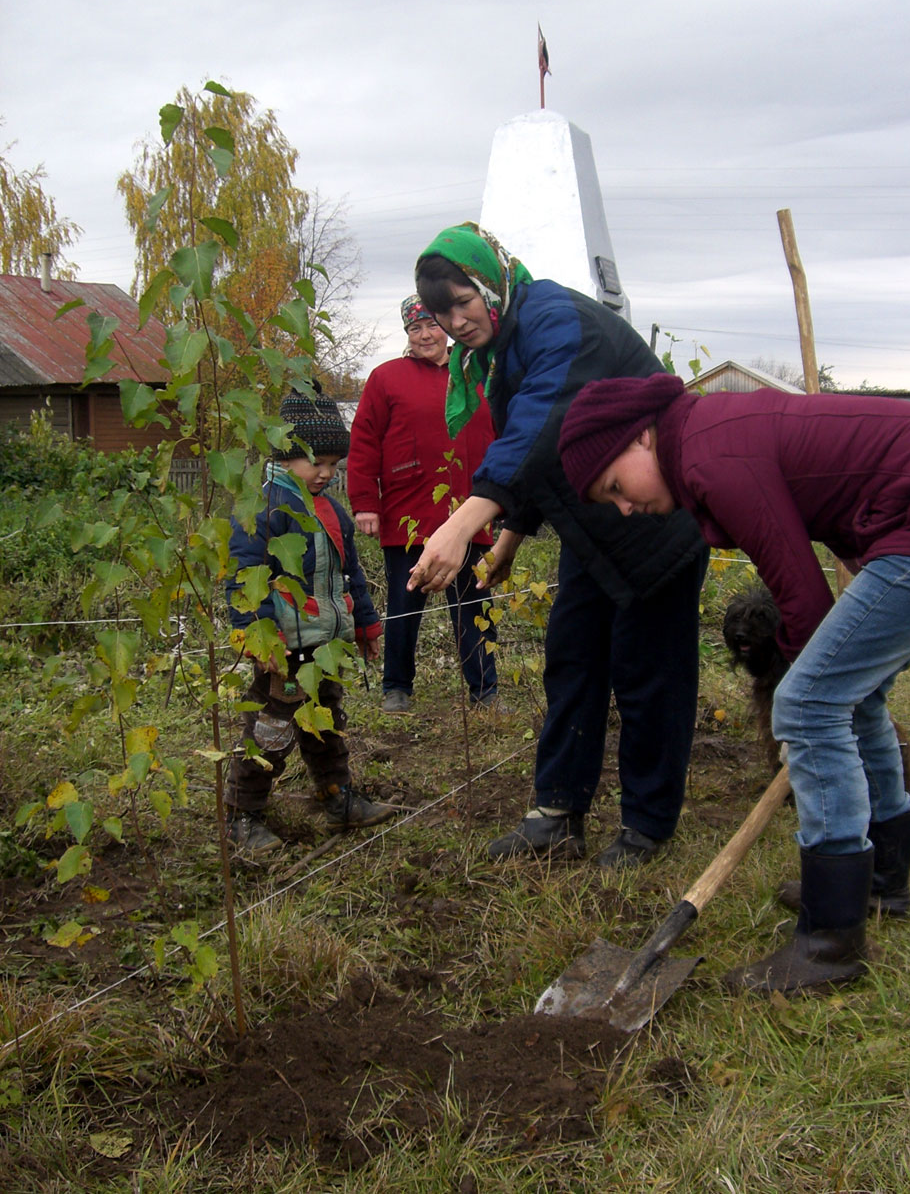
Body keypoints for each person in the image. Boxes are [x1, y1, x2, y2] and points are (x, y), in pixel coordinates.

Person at [557, 372, 910, 987]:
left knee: (813, 702)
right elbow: (829, 487)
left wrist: (800, 687)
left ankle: (829, 943)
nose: (626, 507)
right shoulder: (705, 439)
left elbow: (802, 599)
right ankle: (880, 882)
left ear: (640, 439)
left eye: (615, 487)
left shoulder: (713, 458)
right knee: (852, 695)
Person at [406, 223, 708, 869]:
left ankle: (647, 826)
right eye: (439, 312)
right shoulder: (506, 343)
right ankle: (557, 812)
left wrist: (466, 523)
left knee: (648, 675)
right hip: (592, 531)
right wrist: (511, 537)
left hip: (653, 524)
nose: (454, 322)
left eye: (462, 301)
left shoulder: (556, 319)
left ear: (492, 282)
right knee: (571, 658)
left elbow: (544, 420)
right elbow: (550, 451)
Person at [225, 383, 395, 854]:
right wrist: (259, 639)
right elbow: (244, 578)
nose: (325, 473)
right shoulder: (262, 510)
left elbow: (350, 573)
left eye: (333, 466)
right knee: (272, 729)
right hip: (283, 649)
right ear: (283, 455)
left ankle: (336, 796)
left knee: (326, 721)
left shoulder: (333, 512)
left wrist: (365, 624)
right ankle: (243, 814)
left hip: (326, 644)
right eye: (315, 463)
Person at [348, 294, 499, 713]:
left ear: (447, 328)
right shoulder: (386, 378)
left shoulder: (476, 373)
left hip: (469, 512)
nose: (426, 335)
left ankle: (485, 688)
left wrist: (501, 497)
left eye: (432, 325)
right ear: (407, 334)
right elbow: (363, 441)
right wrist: (365, 502)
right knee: (404, 605)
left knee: (473, 602)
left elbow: (498, 436)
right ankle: (396, 686)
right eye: (416, 328)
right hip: (408, 511)